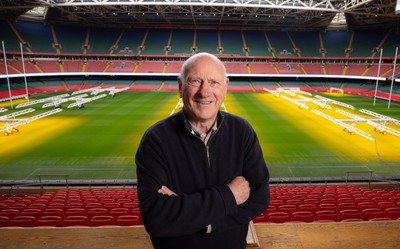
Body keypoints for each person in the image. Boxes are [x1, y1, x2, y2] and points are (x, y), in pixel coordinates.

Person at [135, 52, 270, 249]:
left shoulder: (242, 131)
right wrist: (230, 196)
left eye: (214, 82)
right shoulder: (155, 140)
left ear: (226, 87)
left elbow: (259, 197)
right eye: (195, 81)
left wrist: (202, 221)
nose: (204, 92)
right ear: (180, 86)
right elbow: (157, 218)